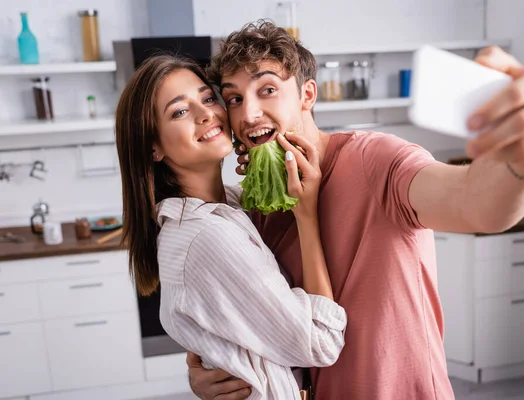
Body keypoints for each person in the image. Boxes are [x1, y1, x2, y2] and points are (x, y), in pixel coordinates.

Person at [187, 21, 524, 400]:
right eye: (234, 98)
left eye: (267, 89)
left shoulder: (376, 160)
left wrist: (521, 157)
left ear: (307, 95)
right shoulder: (258, 207)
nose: (249, 114)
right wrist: (208, 373)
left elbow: (477, 205)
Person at [114, 54, 348, 400]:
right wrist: (307, 218)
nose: (206, 113)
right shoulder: (208, 237)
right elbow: (321, 343)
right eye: (179, 111)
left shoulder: (229, 207)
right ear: (153, 148)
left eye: (208, 98)